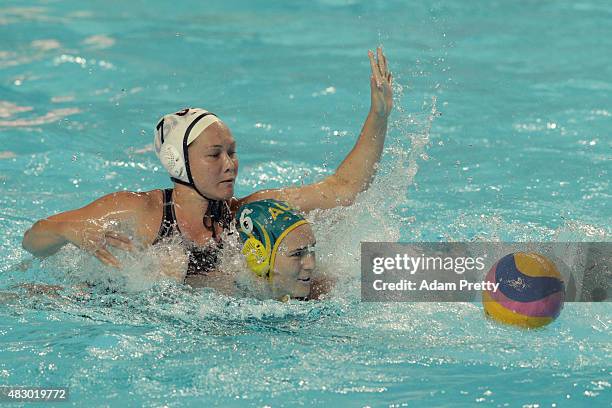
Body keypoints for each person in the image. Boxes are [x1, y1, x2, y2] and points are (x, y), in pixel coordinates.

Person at [22, 47, 393, 284]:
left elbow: (344, 188)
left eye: (232, 152)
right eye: (215, 154)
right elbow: (34, 240)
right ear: (178, 162)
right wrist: (67, 231)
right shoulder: (140, 211)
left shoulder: (246, 214)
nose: (230, 164)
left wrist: (379, 114)